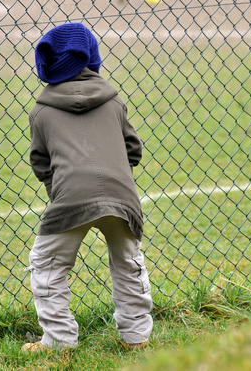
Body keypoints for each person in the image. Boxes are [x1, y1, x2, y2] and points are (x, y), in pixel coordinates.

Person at [22, 22, 153, 352]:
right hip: (122, 196)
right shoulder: (113, 103)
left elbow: (40, 162)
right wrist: (115, 172)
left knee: (48, 264)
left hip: (70, 198)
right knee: (128, 262)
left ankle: (59, 340)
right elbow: (133, 150)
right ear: (92, 58)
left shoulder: (42, 112)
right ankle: (136, 337)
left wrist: (61, 188)